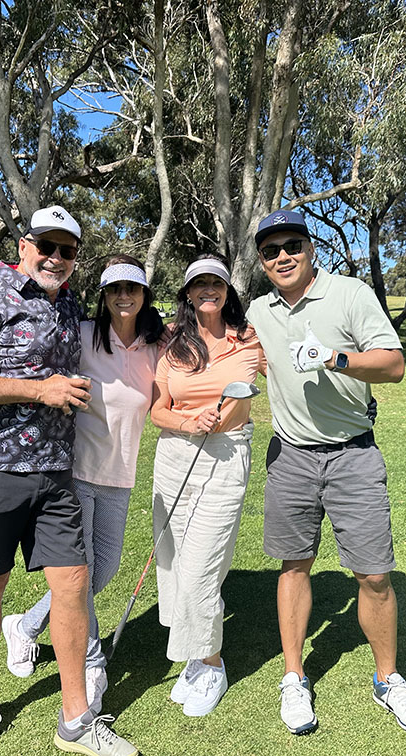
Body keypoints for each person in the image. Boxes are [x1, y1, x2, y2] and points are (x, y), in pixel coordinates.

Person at [0, 205, 137, 756]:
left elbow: (122, 329)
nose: (55, 258)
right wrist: (39, 389)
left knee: (73, 587)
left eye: (67, 250)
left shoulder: (69, 301)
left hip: (56, 472)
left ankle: (76, 719)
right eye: (46, 246)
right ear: (23, 245)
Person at [245, 209, 406, 738]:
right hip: (291, 457)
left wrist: (335, 358)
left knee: (374, 574)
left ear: (310, 249)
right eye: (270, 250)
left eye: (292, 245)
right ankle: (293, 676)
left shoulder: (349, 294)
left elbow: (393, 365)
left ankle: (389, 679)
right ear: (262, 262)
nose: (282, 256)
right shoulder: (258, 310)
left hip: (353, 455)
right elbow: (210, 334)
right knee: (294, 566)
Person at [0, 255, 165, 714]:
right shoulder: (86, 334)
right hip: (73, 470)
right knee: (82, 573)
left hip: (120, 475)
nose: (124, 296)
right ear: (105, 295)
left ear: (144, 294)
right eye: (115, 289)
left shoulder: (157, 343)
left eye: (132, 288)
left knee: (104, 571)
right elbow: (31, 357)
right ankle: (92, 664)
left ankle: (26, 625)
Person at [148, 253, 264, 717]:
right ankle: (195, 657)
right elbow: (157, 410)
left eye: (216, 282)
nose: (209, 290)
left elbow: (297, 373)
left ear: (227, 289)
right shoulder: (173, 342)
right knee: (174, 564)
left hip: (227, 455)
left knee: (202, 567)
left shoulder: (250, 339)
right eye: (200, 284)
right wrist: (186, 418)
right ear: (188, 294)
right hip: (175, 455)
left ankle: (212, 664)